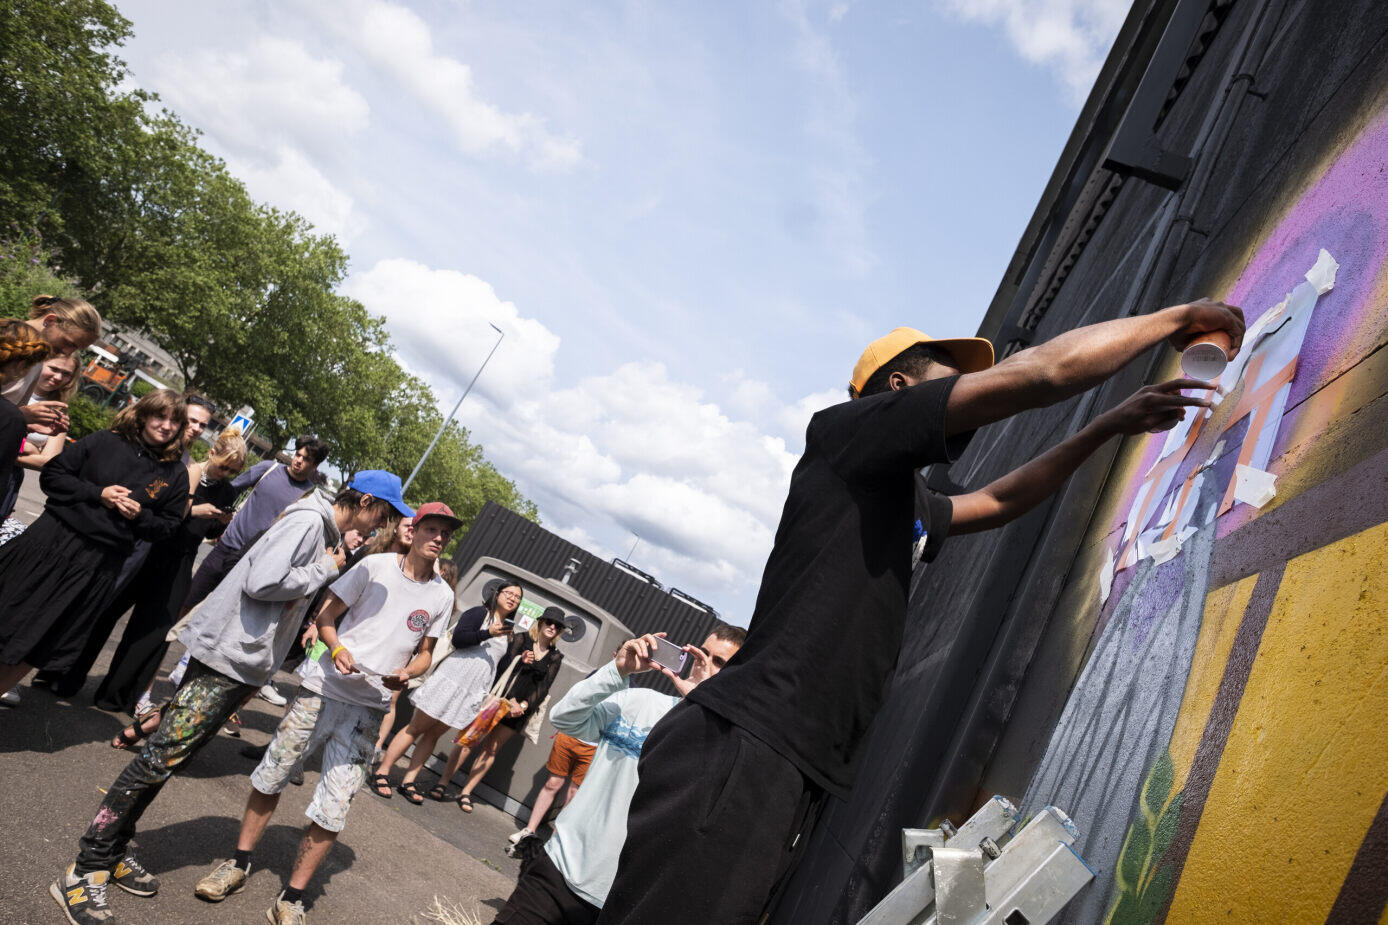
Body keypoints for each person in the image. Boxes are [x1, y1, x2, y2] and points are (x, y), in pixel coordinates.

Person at [598, 302, 1245, 924]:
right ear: (900, 389)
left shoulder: (899, 492)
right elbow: (1039, 375)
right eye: (951, 377)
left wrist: (1107, 426)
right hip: (745, 747)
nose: (967, 387)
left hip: (788, 763)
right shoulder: (845, 433)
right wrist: (1176, 320)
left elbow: (994, 502)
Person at [51, 470, 410, 925]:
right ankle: (84, 869)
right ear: (361, 500)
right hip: (225, 657)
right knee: (157, 759)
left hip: (240, 664)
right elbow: (261, 582)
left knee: (169, 758)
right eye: (382, 513)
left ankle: (113, 849)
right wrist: (327, 567)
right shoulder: (308, 524)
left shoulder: (323, 528)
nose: (382, 525)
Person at [193, 502, 462, 924]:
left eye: (445, 533)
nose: (439, 538)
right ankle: (237, 863)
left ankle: (292, 897)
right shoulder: (374, 567)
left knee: (335, 805)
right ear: (415, 529)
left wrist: (408, 673)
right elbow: (326, 614)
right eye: (432, 529)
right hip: (322, 690)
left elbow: (426, 653)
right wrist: (336, 649)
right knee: (272, 774)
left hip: (369, 708)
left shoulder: (442, 595)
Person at [492, 625, 746, 925]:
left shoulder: (727, 742)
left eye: (719, 663)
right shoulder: (639, 702)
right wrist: (618, 670)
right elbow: (563, 717)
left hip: (622, 904)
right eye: (703, 654)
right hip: (558, 872)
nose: (704, 664)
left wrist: (702, 711)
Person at [0, 389, 189, 698]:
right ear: (143, 415)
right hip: (51, 542)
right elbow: (53, 476)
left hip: (99, 564)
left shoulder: (174, 474)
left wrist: (140, 515)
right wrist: (98, 494)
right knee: (7, 614)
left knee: (44, 640)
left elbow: (167, 528)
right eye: (160, 416)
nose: (167, 426)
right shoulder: (106, 441)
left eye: (175, 421)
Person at [34, 398, 225, 699]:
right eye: (191, 420)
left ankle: (68, 674)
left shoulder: (183, 464)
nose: (195, 428)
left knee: (99, 608)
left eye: (202, 424)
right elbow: (60, 476)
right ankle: (57, 671)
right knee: (91, 607)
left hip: (147, 547)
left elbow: (168, 518)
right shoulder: (134, 448)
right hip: (117, 542)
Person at [98, 427, 248, 734]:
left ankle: (120, 695)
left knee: (156, 632)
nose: (225, 474)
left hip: (181, 557)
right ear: (211, 454)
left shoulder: (227, 490)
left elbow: (205, 533)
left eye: (233, 471)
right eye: (223, 466)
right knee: (107, 611)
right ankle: (65, 673)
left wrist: (218, 523)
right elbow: (161, 511)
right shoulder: (184, 472)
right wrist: (196, 510)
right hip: (150, 548)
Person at [371, 580, 520, 803]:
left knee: (434, 734)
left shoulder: (508, 632)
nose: (512, 599)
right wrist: (487, 633)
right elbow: (460, 638)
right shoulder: (480, 613)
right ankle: (383, 771)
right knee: (416, 728)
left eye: (517, 598)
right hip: (450, 681)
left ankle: (408, 780)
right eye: (509, 593)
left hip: (470, 692)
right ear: (497, 594)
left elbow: (499, 665)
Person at [180, 434, 330, 613]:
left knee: (219, 614)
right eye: (298, 454)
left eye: (306, 459)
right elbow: (230, 490)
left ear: (315, 465)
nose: (298, 460)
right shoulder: (269, 468)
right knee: (186, 602)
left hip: (252, 563)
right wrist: (220, 523)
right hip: (226, 547)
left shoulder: (308, 495)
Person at [440, 606, 566, 811]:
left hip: (518, 712)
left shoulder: (555, 657)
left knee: (491, 750)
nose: (552, 627)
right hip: (499, 701)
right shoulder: (520, 639)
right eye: (549, 622)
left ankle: (466, 792)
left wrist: (523, 706)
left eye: (557, 626)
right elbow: (502, 669)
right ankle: (443, 782)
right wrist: (513, 692)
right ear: (541, 622)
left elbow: (543, 688)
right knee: (469, 740)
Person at [2, 294, 101, 434]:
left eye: (76, 348)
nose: (67, 352)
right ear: (50, 320)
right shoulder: (8, 339)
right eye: (68, 342)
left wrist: (28, 426)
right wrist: (21, 415)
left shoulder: (38, 358)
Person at [504, 732, 597, 857]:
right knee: (552, 784)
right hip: (569, 735)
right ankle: (528, 830)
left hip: (594, 747)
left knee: (573, 795)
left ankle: (553, 842)